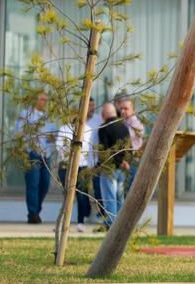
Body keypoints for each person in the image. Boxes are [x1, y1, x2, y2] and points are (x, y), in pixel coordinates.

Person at [16, 92, 56, 224]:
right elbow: (19, 133)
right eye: (42, 99)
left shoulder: (48, 117)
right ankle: (33, 214)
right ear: (35, 100)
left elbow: (53, 135)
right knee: (33, 184)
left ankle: (36, 211)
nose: (45, 102)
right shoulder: (25, 114)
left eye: (46, 100)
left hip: (46, 155)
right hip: (32, 153)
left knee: (45, 183)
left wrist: (52, 138)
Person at [96, 102, 131, 230]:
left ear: (103, 115)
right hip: (123, 169)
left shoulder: (104, 127)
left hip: (110, 168)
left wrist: (117, 162)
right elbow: (129, 147)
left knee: (109, 197)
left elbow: (105, 150)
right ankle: (121, 224)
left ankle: (111, 224)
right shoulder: (124, 126)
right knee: (120, 197)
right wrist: (126, 162)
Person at [55, 114, 93, 232]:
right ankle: (64, 223)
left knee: (81, 195)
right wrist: (71, 150)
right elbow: (59, 145)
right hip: (65, 165)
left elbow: (85, 147)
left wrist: (72, 148)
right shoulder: (64, 129)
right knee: (67, 195)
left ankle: (80, 221)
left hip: (81, 165)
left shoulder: (88, 129)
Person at [115, 96, 144, 196]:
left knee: (128, 194)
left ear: (133, 110)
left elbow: (125, 139)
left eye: (126, 108)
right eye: (121, 109)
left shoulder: (137, 125)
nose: (123, 111)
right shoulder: (121, 123)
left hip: (132, 162)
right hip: (121, 163)